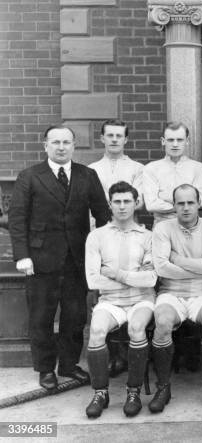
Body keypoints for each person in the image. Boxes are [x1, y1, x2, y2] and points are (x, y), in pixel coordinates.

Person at [8, 124, 111, 390]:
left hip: (77, 259)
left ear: (74, 146)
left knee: (75, 316)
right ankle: (45, 369)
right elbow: (17, 219)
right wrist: (23, 256)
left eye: (66, 142)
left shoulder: (87, 175)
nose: (61, 147)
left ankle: (68, 365)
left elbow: (102, 215)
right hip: (41, 260)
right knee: (42, 316)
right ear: (45, 146)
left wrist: (101, 252)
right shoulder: (29, 176)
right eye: (55, 142)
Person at [149, 184, 202, 412]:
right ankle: (163, 387)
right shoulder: (163, 228)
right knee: (162, 323)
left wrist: (179, 260)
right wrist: (199, 267)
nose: (185, 208)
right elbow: (162, 268)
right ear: (174, 206)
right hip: (171, 292)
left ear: (199, 203)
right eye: (180, 203)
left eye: (190, 202)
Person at [84, 181, 157, 418]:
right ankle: (100, 393)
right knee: (96, 331)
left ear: (136, 204)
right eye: (117, 201)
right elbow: (94, 280)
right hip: (110, 301)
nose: (122, 206)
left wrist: (117, 275)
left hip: (141, 300)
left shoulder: (148, 237)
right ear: (110, 204)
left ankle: (133, 391)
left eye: (127, 201)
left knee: (137, 328)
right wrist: (133, 278)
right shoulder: (96, 236)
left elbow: (150, 279)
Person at [142, 122, 202, 226]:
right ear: (163, 141)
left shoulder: (199, 168)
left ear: (187, 141)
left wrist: (165, 202)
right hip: (162, 226)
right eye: (170, 140)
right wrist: (186, 204)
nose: (175, 144)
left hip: (191, 227)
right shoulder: (151, 168)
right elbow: (151, 205)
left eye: (180, 140)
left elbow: (200, 201)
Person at [89, 119, 144, 210]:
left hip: (129, 223)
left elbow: (138, 202)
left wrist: (105, 202)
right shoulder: (91, 169)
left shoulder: (138, 168)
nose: (114, 140)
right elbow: (90, 202)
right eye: (110, 135)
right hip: (100, 223)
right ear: (102, 139)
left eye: (119, 136)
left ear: (125, 140)